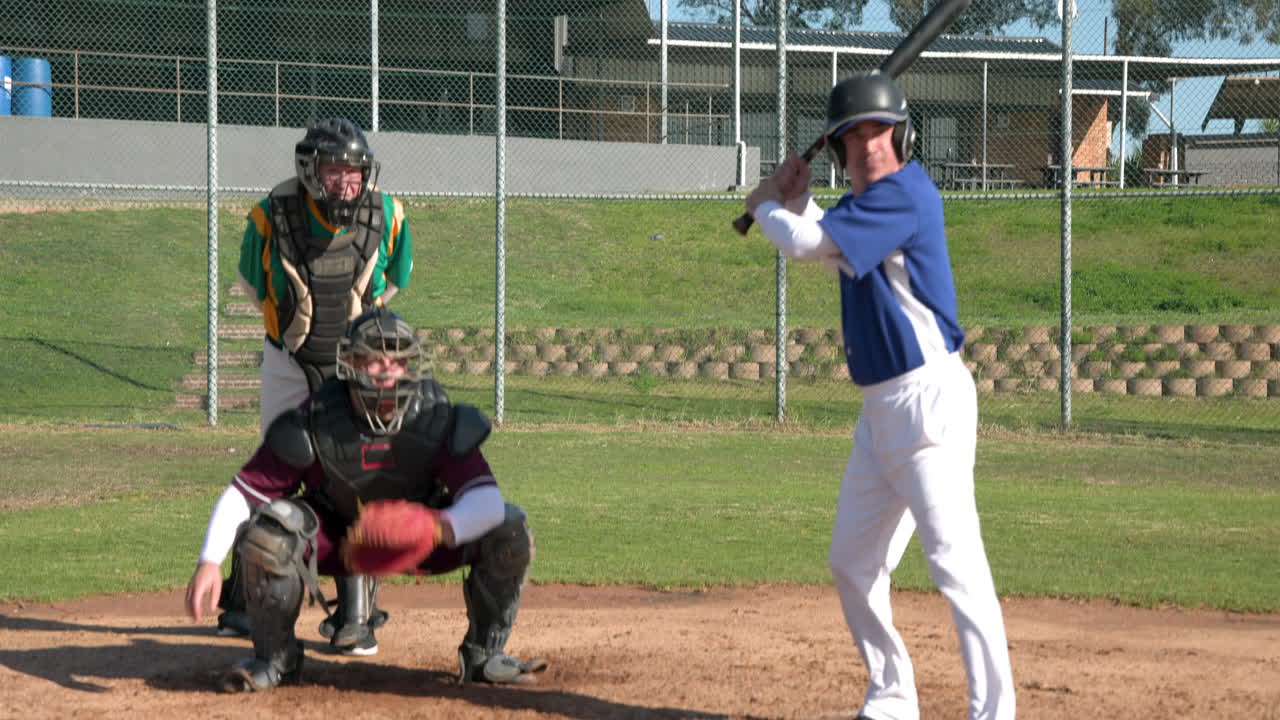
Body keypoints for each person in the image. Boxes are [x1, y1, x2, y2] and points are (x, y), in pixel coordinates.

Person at [744, 72, 1016, 720]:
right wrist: (797, 199)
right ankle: (892, 697)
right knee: (853, 561)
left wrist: (764, 205)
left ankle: (994, 713)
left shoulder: (908, 194)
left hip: (929, 404)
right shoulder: (866, 213)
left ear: (903, 136)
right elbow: (830, 237)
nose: (870, 145)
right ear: (838, 151)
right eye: (854, 136)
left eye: (880, 131)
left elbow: (812, 244)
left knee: (955, 565)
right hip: (880, 414)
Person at [185, 307, 546, 691]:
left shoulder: (435, 416)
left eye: (398, 360)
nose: (387, 370)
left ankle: (484, 657)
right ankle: (276, 660)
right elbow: (244, 494)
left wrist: (435, 528)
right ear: (351, 363)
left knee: (509, 528)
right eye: (375, 359)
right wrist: (209, 560)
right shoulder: (316, 419)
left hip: (421, 541)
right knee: (269, 534)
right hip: (338, 542)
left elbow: (487, 501)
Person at [221, 116, 413, 648]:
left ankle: (357, 618)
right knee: (273, 473)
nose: (345, 182)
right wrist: (297, 329)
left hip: (356, 364)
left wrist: (352, 319)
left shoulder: (388, 213)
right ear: (310, 171)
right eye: (334, 171)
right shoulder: (271, 213)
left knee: (356, 479)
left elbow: (398, 275)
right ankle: (246, 602)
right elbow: (250, 281)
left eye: (354, 172)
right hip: (288, 360)